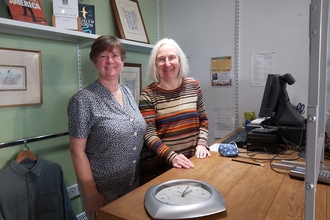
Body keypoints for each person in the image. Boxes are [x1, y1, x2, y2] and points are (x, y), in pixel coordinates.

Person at [67, 35, 146, 220]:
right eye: (103, 56)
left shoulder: (126, 92)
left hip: (132, 182)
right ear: (95, 62)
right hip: (103, 191)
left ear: (122, 61)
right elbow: (77, 152)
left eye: (115, 55)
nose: (110, 61)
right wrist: (91, 193)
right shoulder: (83, 101)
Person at [139, 38, 210, 184]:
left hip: (191, 163)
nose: (167, 63)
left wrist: (202, 143)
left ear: (180, 60)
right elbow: (149, 135)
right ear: (155, 64)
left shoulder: (193, 85)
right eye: (161, 59)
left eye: (172, 57)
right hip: (161, 169)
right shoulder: (148, 94)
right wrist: (172, 157)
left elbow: (203, 119)